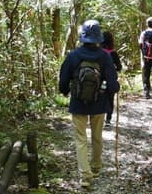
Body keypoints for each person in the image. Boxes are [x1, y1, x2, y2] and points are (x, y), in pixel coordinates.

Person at [59, 20, 120, 187]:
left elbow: (63, 81)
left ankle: (85, 176)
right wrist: (114, 88)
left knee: (81, 139)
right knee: (97, 136)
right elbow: (113, 85)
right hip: (99, 104)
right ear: (98, 37)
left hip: (78, 103)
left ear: (83, 37)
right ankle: (96, 166)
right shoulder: (105, 57)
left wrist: (66, 92)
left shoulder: (73, 56)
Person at [101, 31, 122, 127]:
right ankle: (108, 119)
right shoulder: (113, 53)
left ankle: (99, 116)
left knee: (100, 97)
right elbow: (119, 67)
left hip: (100, 80)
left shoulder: (98, 52)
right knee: (110, 98)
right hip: (110, 79)